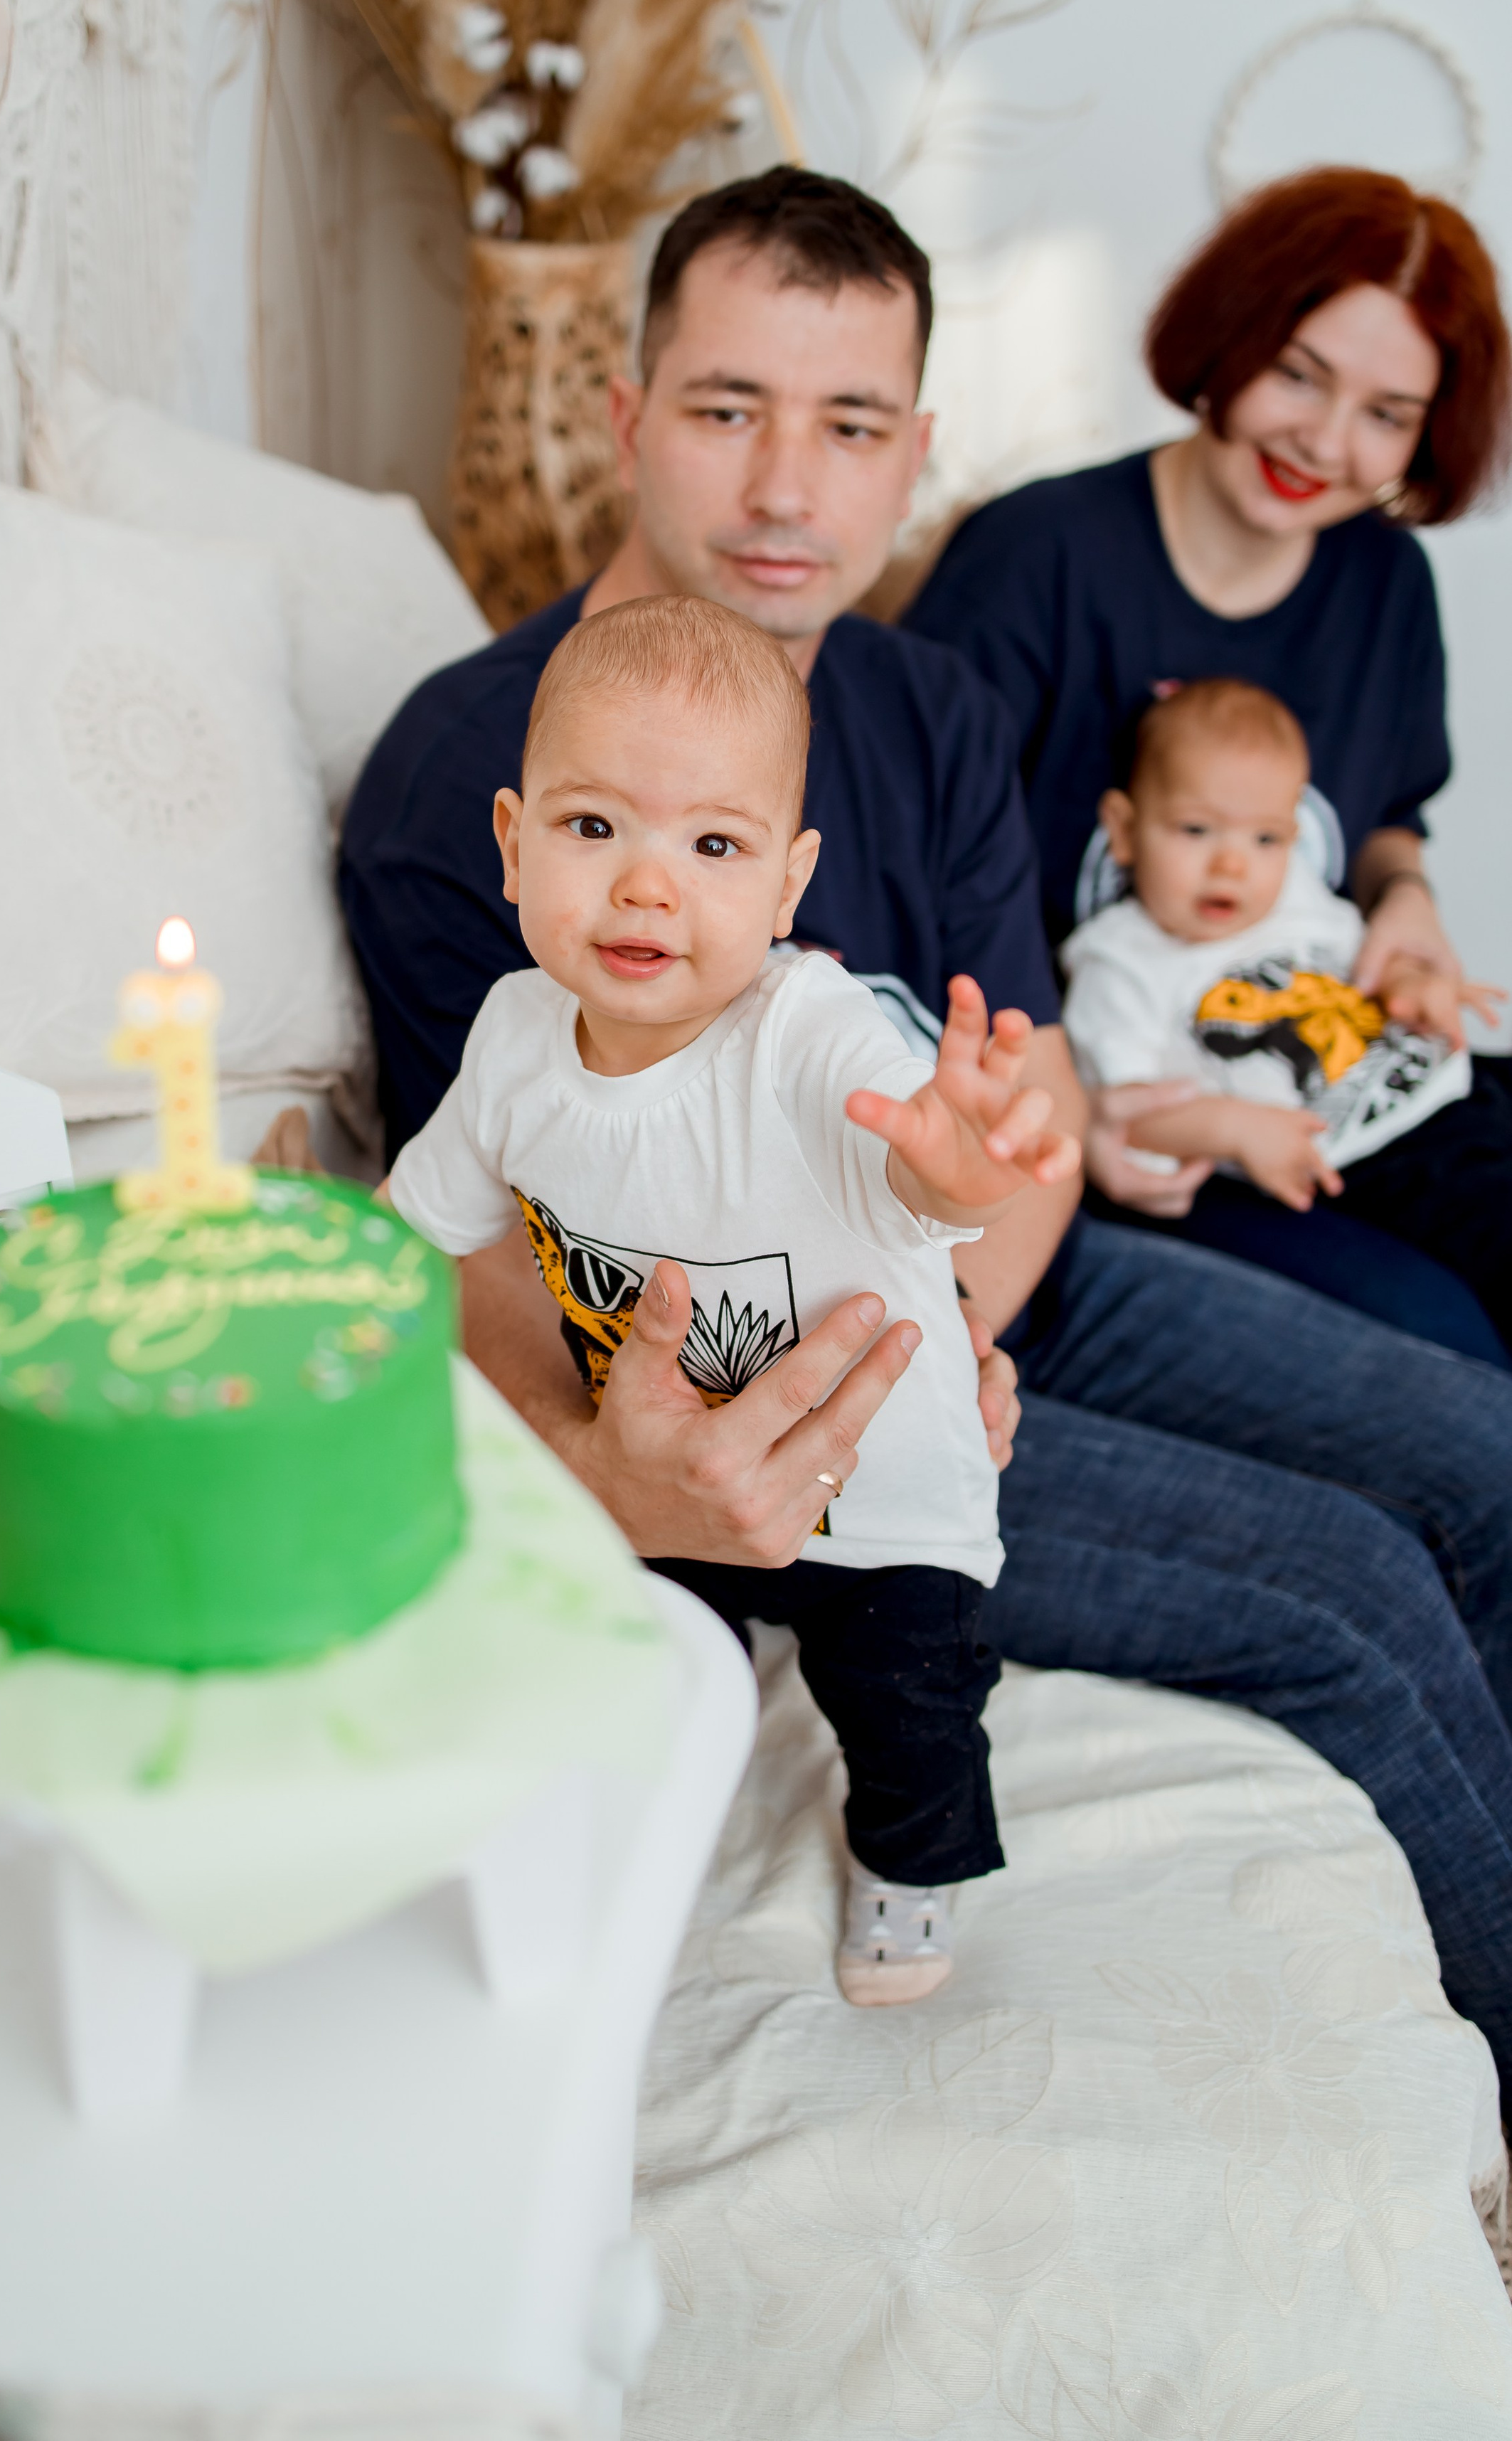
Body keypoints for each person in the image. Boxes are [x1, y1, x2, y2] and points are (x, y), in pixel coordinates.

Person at [326, 165, 1512, 2096]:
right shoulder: (478, 778)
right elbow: (477, 1228)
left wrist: (960, 1321)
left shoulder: (930, 706)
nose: (790, 492)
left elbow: (1023, 1069)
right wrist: (674, 1450)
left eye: (851, 426)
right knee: (1355, 1599)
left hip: (985, 1288)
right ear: (624, 421)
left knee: (1481, 1450)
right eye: (728, 411)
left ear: (912, 455)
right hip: (764, 1383)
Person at [385, 593, 1079, 2002]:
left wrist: (958, 1170)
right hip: (658, 1469)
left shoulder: (805, 1030)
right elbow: (424, 1233)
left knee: (911, 1703)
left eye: (712, 846)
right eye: (594, 831)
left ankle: (915, 1867)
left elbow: (913, 1166)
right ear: (513, 845)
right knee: (606, 1653)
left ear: (784, 885)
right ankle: (624, 1825)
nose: (647, 888)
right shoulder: (513, 1040)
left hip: (872, 1491)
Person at [911, 166, 1512, 1364]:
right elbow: (904, 883)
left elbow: (1389, 817)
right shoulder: (1035, 561)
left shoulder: (1383, 581)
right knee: (1451, 1351)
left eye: (1387, 414)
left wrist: (1407, 903)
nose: (1328, 445)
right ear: (1228, 337)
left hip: (1344, 1067)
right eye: (1299, 374)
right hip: (1136, 1131)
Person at [1062, 676, 1512, 1346]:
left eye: (1266, 840)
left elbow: (1365, 955)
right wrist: (1231, 1127)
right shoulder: (1118, 962)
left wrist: (1414, 980)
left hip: (1452, 1092)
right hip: (1360, 1163)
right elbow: (1130, 1115)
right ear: (1123, 831)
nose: (1233, 866)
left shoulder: (1295, 896)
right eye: (1195, 830)